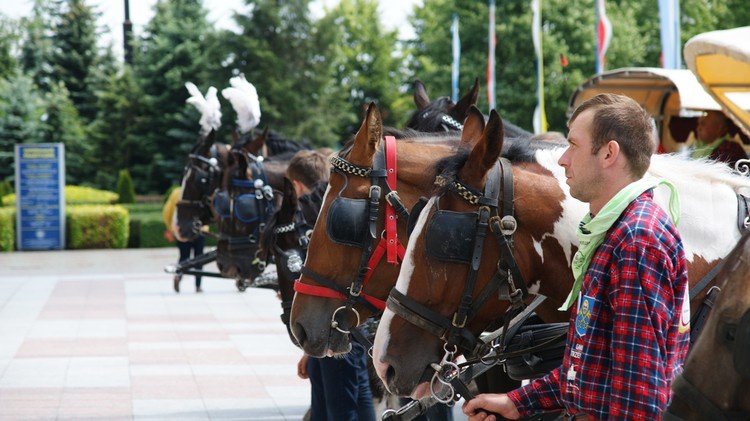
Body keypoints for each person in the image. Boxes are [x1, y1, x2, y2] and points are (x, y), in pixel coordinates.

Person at [462, 93, 690, 420]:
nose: (563, 159)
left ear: (609, 153)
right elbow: (588, 368)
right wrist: (516, 403)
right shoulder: (616, 229)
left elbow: (639, 400)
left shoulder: (635, 239)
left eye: (573, 145)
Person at [288, 149, 376, 421]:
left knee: (342, 408)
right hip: (335, 326)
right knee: (350, 400)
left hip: (337, 326)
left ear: (296, 185)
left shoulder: (321, 216)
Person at [163, 187, 205, 293]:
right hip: (199, 230)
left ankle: (179, 276)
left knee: (184, 257)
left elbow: (167, 211)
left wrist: (171, 228)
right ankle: (198, 286)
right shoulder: (201, 192)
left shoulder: (177, 193)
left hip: (182, 230)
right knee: (199, 259)